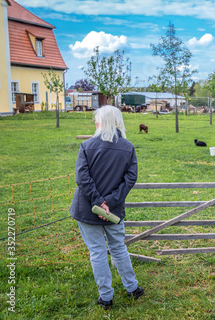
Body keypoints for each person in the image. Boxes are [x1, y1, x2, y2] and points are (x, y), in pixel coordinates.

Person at [70, 105, 144, 310]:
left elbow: (82, 178)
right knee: (119, 248)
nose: (94, 121)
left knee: (97, 252)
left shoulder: (86, 146)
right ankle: (132, 288)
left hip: (87, 209)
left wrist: (99, 202)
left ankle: (106, 297)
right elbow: (130, 179)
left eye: (96, 119)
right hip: (114, 210)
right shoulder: (128, 147)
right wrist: (109, 202)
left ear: (101, 121)